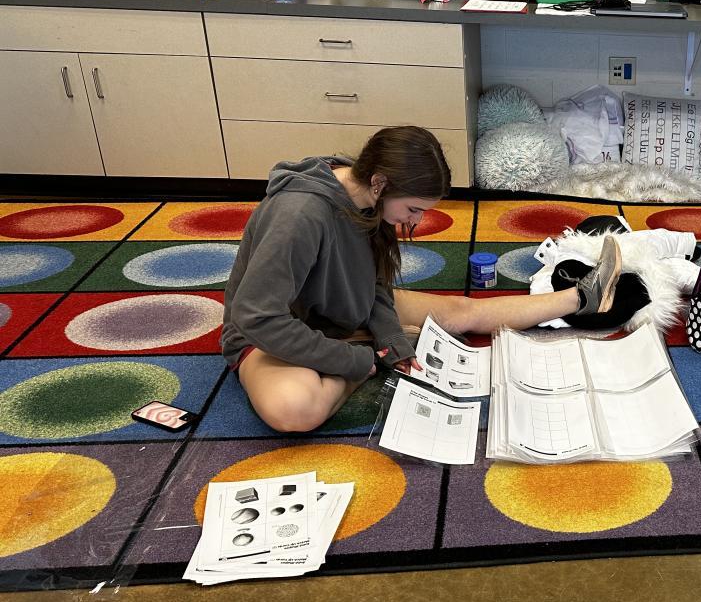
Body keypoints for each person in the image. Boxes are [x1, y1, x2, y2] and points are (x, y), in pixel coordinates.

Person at [222, 126, 622, 433]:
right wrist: (360, 360)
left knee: (461, 312)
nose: (416, 221)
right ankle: (361, 358)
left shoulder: (368, 197)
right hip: (271, 332)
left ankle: (580, 297)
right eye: (414, 209)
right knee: (295, 409)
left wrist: (391, 339)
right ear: (380, 182)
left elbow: (372, 285)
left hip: (339, 308)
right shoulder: (299, 214)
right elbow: (257, 317)